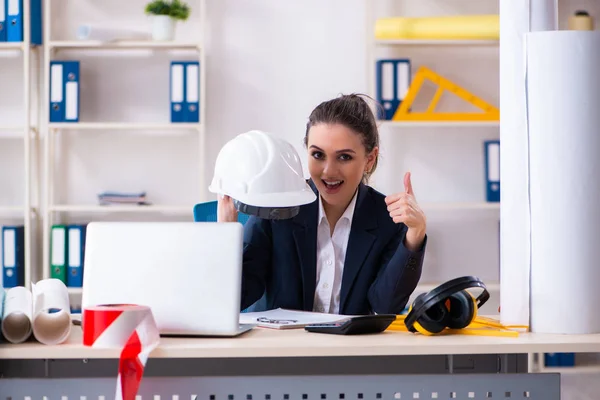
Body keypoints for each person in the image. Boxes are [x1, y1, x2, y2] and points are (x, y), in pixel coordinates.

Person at [218, 93, 427, 315]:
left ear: (369, 159)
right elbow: (235, 299)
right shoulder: (276, 206)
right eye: (318, 155)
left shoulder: (388, 219)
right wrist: (225, 237)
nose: (328, 171)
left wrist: (415, 235)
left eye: (344, 157)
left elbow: (385, 305)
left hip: (349, 348)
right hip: (283, 346)